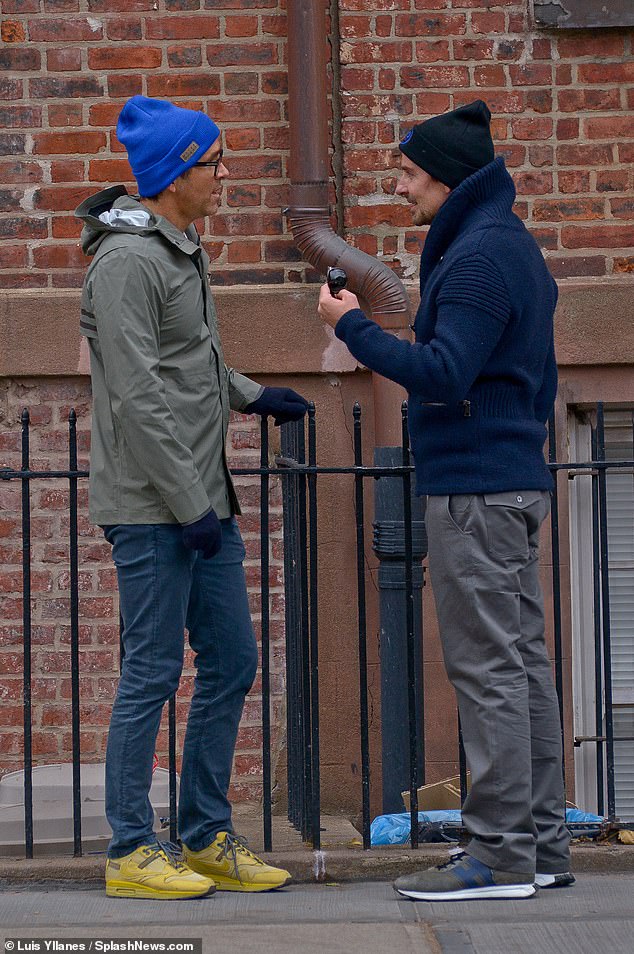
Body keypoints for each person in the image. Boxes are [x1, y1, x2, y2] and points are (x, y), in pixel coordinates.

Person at [317, 100, 573, 901]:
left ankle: (499, 856)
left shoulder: (477, 258)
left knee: (489, 671)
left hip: (475, 493)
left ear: (446, 178)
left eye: (407, 173)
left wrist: (353, 328)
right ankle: (541, 848)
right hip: (506, 484)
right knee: (521, 667)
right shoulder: (504, 246)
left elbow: (444, 371)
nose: (400, 187)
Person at [76, 95, 308, 900]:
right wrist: (190, 507)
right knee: (149, 671)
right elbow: (138, 396)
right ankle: (131, 849)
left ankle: (204, 833)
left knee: (234, 661)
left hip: (199, 499)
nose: (224, 176)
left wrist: (252, 394)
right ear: (177, 173)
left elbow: (189, 361)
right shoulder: (128, 263)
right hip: (154, 506)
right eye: (214, 163)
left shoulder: (177, 246)